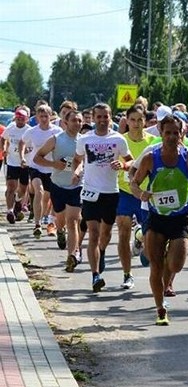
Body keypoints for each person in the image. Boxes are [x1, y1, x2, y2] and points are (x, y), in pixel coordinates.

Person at [130, 115, 188, 325]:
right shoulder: (150, 158)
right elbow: (134, 182)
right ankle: (160, 308)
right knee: (155, 264)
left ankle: (164, 272)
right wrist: (140, 193)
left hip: (180, 217)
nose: (171, 136)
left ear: (182, 134)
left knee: (175, 264)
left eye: (175, 132)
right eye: (167, 132)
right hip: (156, 216)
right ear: (161, 134)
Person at [72, 103, 133, 292]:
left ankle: (102, 251)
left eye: (105, 116)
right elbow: (77, 159)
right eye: (98, 117)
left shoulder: (118, 139)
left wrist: (122, 165)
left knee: (105, 234)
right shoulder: (85, 139)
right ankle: (95, 275)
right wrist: (77, 171)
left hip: (111, 192)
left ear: (110, 117)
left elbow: (131, 161)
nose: (102, 120)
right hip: (90, 191)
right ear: (93, 117)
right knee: (93, 233)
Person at [33, 110, 84, 272]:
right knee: (61, 220)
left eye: (80, 121)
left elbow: (83, 161)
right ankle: (59, 231)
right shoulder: (56, 139)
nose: (77, 123)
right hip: (58, 185)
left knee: (73, 221)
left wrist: (78, 171)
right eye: (74, 120)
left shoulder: (84, 141)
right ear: (65, 122)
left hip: (77, 186)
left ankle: (72, 256)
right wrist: (54, 164)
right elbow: (37, 158)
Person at [115, 105, 155, 289]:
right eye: (133, 120)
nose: (137, 124)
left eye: (140, 120)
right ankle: (127, 274)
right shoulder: (119, 141)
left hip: (147, 195)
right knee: (123, 230)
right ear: (126, 121)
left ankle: (140, 240)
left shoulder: (153, 142)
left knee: (150, 236)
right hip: (124, 191)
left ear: (145, 121)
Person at [19, 105, 62, 238]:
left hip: (52, 168)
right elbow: (22, 142)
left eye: (46, 116)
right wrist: (22, 157)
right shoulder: (32, 131)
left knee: (50, 198)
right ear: (36, 117)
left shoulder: (57, 131)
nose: (43, 119)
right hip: (35, 166)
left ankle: (50, 221)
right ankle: (37, 224)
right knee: (39, 190)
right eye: (41, 116)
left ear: (50, 116)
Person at [2, 109, 31, 223]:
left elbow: (34, 145)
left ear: (26, 119)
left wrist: (28, 150)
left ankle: (18, 201)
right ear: (15, 118)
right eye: (18, 119)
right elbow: (3, 138)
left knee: (23, 189)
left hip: (25, 163)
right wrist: (3, 149)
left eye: (22, 119)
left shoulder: (29, 130)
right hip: (12, 161)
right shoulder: (11, 128)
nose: (20, 121)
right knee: (11, 187)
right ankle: (10, 211)